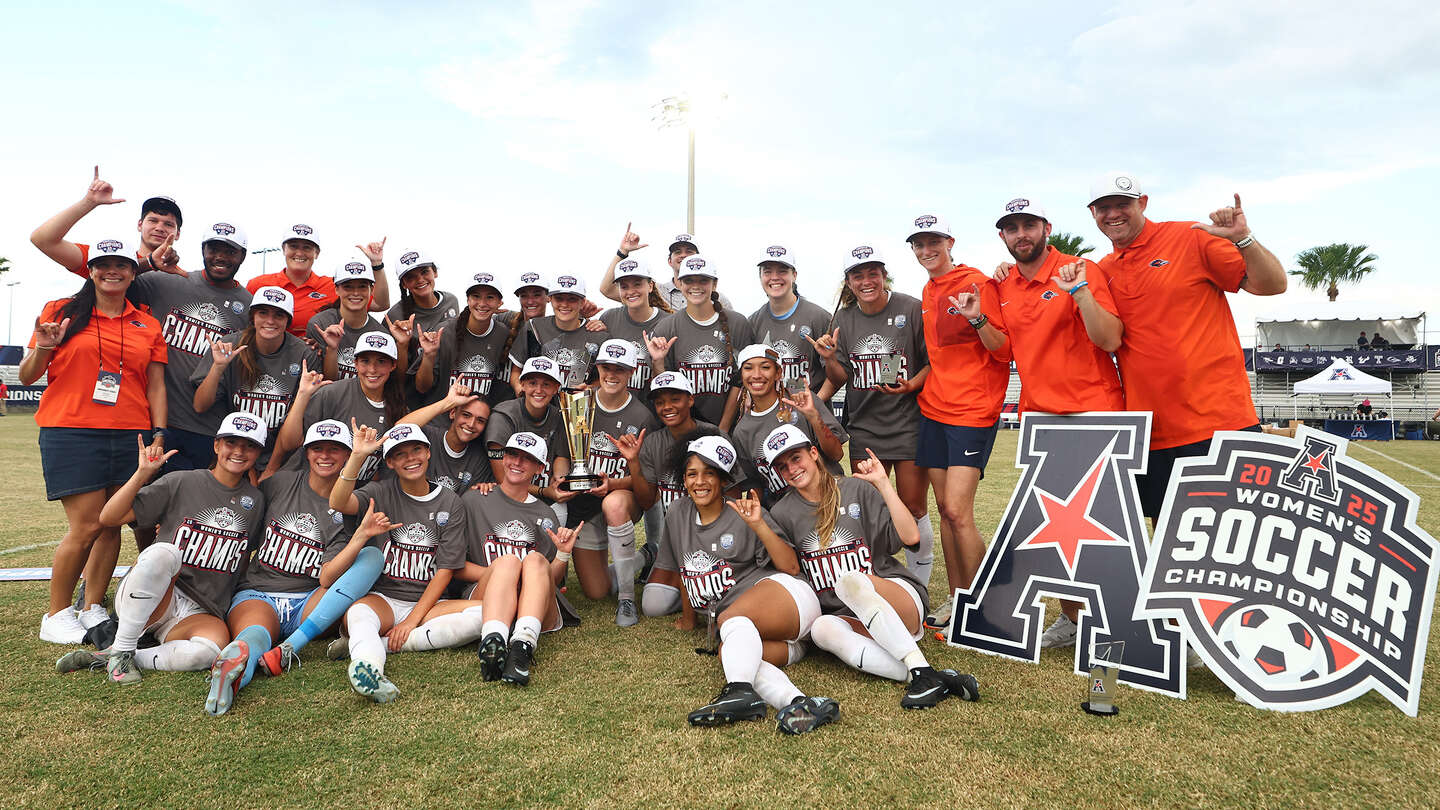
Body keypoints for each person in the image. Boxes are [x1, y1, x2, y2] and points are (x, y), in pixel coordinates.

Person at [1087, 173, 1286, 519]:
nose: (1113, 214)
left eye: (1123, 204)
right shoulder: (1102, 270)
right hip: (1152, 434)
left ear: (1143, 203)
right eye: (1104, 208)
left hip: (1219, 425)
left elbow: (1272, 285)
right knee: (1168, 542)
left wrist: (1244, 240)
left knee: (1231, 540)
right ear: (1093, 214)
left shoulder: (1189, 237)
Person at [764, 425, 980, 709]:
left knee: (851, 580)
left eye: (796, 458)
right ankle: (927, 675)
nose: (791, 469)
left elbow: (911, 537)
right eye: (782, 466)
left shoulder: (855, 489)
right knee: (821, 629)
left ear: (814, 454)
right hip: (852, 617)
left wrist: (883, 484)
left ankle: (921, 670)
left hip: (896, 597)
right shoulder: (782, 513)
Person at [989, 199, 1124, 649]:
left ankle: (1117, 623)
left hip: (1093, 413)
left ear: (1047, 227)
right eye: (1012, 228)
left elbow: (1110, 339)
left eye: (1029, 225)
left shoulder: (1079, 268)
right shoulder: (1005, 285)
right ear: (1003, 236)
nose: (1021, 234)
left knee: (1104, 530)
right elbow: (1003, 350)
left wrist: (1080, 292)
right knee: (1056, 529)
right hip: (1041, 418)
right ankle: (1072, 617)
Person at [23, 238, 167, 644]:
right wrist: (44, 347)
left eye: (121, 264)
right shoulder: (61, 312)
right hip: (72, 430)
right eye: (103, 264)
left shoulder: (147, 323)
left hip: (130, 432)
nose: (112, 271)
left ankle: (91, 607)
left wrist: (159, 432)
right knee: (86, 525)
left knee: (112, 526)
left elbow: (155, 386)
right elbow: (31, 373)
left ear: (133, 272)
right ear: (90, 270)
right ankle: (56, 614)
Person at [57, 412, 267, 685]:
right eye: (231, 443)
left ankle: (116, 655)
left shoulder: (256, 500)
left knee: (208, 652)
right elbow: (108, 518)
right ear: (216, 446)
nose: (239, 451)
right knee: (164, 553)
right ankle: (122, 651)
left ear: (258, 452)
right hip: (154, 593)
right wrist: (142, 474)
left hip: (201, 609)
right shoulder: (181, 481)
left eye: (249, 445)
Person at [653, 435, 837, 734]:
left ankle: (738, 692)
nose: (700, 482)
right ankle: (802, 703)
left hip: (789, 599)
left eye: (709, 473)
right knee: (732, 654)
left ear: (723, 479)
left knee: (731, 620)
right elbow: (683, 569)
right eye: (692, 474)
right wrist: (689, 621)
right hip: (769, 637)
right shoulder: (677, 513)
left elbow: (790, 567)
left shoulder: (745, 512)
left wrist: (758, 525)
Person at [203, 419, 384, 714]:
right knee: (254, 635)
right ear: (307, 452)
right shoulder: (281, 483)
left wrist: (360, 537)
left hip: (308, 602)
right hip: (259, 593)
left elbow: (327, 576)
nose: (325, 455)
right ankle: (231, 673)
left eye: (335, 449)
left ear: (347, 455)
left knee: (372, 556)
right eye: (318, 449)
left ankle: (290, 646)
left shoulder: (351, 504)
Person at [811, 244, 939, 614]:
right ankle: (879, 579)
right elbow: (841, 378)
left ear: (883, 274)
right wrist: (828, 358)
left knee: (913, 506)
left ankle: (919, 589)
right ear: (848, 282)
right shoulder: (844, 319)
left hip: (909, 423)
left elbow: (933, 362)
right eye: (857, 275)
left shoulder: (911, 308)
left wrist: (912, 384)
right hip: (865, 427)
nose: (866, 281)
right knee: (870, 508)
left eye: (872, 273)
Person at [327, 423, 480, 703]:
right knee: (359, 615)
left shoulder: (450, 502)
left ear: (428, 453)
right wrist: (357, 456)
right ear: (390, 462)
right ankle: (369, 670)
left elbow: (446, 570)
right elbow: (338, 502)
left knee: (484, 615)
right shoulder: (381, 491)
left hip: (430, 602)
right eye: (401, 454)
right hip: (385, 597)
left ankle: (384, 645)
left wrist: (411, 621)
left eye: (416, 450)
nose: (411, 458)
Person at [470, 432, 583, 685]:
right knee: (510, 563)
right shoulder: (475, 500)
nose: (516, 463)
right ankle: (493, 644)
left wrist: (563, 552)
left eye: (527, 459)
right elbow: (455, 567)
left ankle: (521, 649)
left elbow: (548, 581)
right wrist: (506, 578)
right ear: (503, 457)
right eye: (512, 455)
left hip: (532, 607)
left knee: (533, 561)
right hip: (486, 595)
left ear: (539, 468)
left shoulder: (545, 515)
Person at [614, 371, 723, 617]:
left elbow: (734, 493)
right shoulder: (653, 442)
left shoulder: (713, 435)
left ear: (690, 400)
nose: (667, 407)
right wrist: (633, 462)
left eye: (675, 399)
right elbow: (646, 500)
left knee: (715, 591)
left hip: (712, 539)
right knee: (653, 606)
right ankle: (691, 585)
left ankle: (703, 588)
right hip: (673, 541)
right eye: (660, 402)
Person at [565, 339, 657, 625]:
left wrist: (613, 485)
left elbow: (645, 482)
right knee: (596, 591)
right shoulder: (580, 403)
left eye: (620, 368)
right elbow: (561, 453)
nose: (612, 374)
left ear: (631, 371)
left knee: (614, 504)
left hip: (621, 498)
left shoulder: (642, 415)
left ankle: (627, 599)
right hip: (584, 502)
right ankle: (645, 556)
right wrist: (563, 478)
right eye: (606, 367)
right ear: (598, 368)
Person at [192, 287, 319, 472]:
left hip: (281, 458)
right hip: (235, 451)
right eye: (263, 313)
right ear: (252, 317)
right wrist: (218, 367)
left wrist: (271, 469)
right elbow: (200, 406)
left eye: (279, 315)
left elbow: (293, 436)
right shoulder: (231, 344)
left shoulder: (304, 354)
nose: (270, 321)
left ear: (288, 321)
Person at [268, 331, 408, 484]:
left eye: (381, 361)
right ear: (355, 363)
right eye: (365, 361)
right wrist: (271, 468)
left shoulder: (399, 408)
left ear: (393, 365)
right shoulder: (332, 393)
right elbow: (289, 443)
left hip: (354, 496)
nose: (372, 369)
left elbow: (381, 471)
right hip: (309, 488)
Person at [728, 344, 846, 506]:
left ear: (778, 373)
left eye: (765, 367)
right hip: (788, 515)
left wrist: (813, 417)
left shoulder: (801, 399)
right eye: (748, 368)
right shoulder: (742, 431)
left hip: (829, 499)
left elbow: (836, 455)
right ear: (741, 376)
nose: (756, 375)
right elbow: (755, 486)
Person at [645, 254, 754, 429]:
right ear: (679, 284)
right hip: (683, 429)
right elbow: (665, 390)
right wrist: (657, 362)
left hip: (730, 428)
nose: (695, 286)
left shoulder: (738, 323)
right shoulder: (667, 327)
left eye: (703, 280)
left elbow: (740, 381)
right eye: (688, 280)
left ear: (714, 284)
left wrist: (723, 430)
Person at [29, 166, 185, 277]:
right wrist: (88, 202)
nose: (159, 228)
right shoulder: (106, 258)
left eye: (168, 224)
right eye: (153, 220)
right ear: (139, 224)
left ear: (177, 234)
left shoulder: (183, 279)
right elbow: (43, 240)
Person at [244, 226, 392, 336]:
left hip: (318, 364)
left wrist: (376, 264)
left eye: (307, 247)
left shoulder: (332, 286)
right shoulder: (258, 285)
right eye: (294, 246)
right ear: (283, 249)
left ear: (317, 253)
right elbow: (245, 326)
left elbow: (380, 304)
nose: (300, 253)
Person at [485, 357, 574, 508]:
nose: (539, 390)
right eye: (532, 383)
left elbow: (561, 456)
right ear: (522, 384)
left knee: (560, 507)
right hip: (507, 496)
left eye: (546, 384)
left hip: (547, 496)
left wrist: (559, 481)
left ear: (556, 388)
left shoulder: (560, 415)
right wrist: (544, 491)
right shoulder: (503, 416)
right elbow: (502, 478)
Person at [747, 244, 834, 397]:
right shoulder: (753, 322)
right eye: (767, 272)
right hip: (770, 415)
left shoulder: (818, 317)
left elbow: (836, 375)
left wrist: (816, 405)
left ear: (794, 275)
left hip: (811, 415)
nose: (775, 277)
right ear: (760, 276)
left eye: (782, 271)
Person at [421, 271, 516, 407]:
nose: (482, 303)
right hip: (441, 418)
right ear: (468, 300)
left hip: (478, 420)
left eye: (490, 297)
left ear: (499, 303)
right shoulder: (444, 331)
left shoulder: (503, 334)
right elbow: (422, 387)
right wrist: (428, 356)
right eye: (476, 296)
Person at [391, 382, 495, 492]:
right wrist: (447, 402)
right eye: (466, 415)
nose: (471, 424)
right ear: (452, 413)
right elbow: (400, 428)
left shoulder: (479, 459)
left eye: (480, 421)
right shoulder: (428, 436)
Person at [599, 228, 733, 312]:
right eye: (678, 252)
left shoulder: (719, 298)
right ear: (669, 261)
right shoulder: (655, 291)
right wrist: (622, 252)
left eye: (689, 251)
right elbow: (607, 289)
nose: (683, 255)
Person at [510, 273, 600, 392]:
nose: (564, 304)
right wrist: (520, 389)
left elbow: (603, 378)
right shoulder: (533, 327)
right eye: (559, 298)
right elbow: (516, 371)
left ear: (582, 302)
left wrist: (590, 389)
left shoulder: (598, 334)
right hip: (540, 406)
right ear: (550, 299)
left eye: (572, 299)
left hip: (577, 407)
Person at [598, 252, 672, 398]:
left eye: (637, 284)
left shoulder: (669, 323)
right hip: (614, 409)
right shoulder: (609, 318)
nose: (631, 291)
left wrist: (658, 362)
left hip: (651, 412)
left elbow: (669, 381)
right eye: (624, 286)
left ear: (650, 286)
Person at [306, 259, 390, 380]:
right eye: (348, 287)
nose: (356, 293)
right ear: (336, 289)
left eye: (362, 287)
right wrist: (332, 349)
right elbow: (324, 381)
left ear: (372, 289)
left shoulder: (381, 334)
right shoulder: (319, 324)